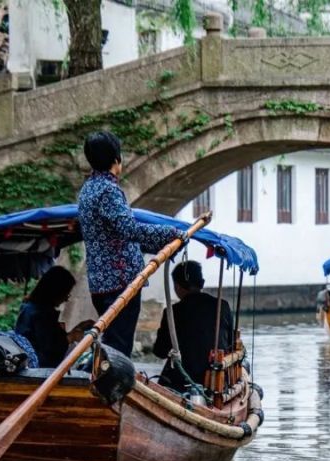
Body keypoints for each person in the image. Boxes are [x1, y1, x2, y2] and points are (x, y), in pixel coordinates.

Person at [77, 131, 185, 356]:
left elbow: (115, 237)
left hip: (100, 284)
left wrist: (162, 243)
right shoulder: (108, 190)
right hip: (119, 283)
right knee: (119, 347)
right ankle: (114, 379)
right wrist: (171, 233)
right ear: (117, 159)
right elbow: (130, 230)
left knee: (113, 343)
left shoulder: (87, 189)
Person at [153, 260, 234, 389]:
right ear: (202, 283)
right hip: (217, 379)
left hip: (181, 381)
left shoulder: (173, 312)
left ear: (177, 286)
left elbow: (160, 351)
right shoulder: (222, 306)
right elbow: (231, 344)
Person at [14, 266, 94, 368]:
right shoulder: (40, 314)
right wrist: (71, 337)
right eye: (66, 294)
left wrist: (73, 332)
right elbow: (48, 353)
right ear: (56, 292)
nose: (66, 299)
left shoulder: (33, 309)